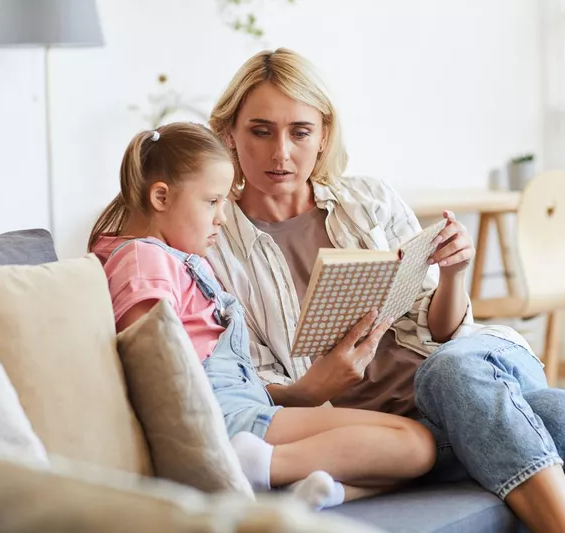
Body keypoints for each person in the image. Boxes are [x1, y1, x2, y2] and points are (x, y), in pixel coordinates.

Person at [206, 48, 565, 533]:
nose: (281, 153)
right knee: (560, 410)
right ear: (230, 133)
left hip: (463, 375)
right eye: (261, 130)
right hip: (401, 433)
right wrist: (308, 390)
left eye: (300, 131)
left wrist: (456, 273)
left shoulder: (369, 200)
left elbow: (443, 333)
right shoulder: (213, 244)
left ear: (323, 137)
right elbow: (238, 386)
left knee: (451, 368)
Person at [88, 122, 436, 509]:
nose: (221, 217)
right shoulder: (144, 259)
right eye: (211, 201)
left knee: (409, 452)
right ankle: (256, 466)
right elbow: (155, 363)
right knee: (415, 445)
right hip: (223, 417)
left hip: (245, 410)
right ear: (161, 197)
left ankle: (289, 486)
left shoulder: (174, 258)